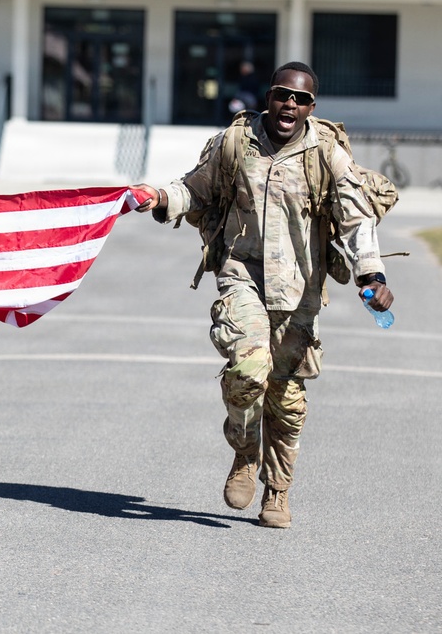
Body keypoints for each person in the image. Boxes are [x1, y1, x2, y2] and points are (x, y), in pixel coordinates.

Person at [134, 61, 395, 528]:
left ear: (311, 107)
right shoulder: (237, 141)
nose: (290, 104)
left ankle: (277, 492)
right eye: (282, 95)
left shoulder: (326, 153)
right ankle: (244, 453)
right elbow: (195, 188)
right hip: (242, 276)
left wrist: (370, 275)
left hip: (300, 290)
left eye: (301, 99)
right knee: (247, 371)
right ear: (269, 97)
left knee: (286, 400)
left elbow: (356, 216)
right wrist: (159, 197)